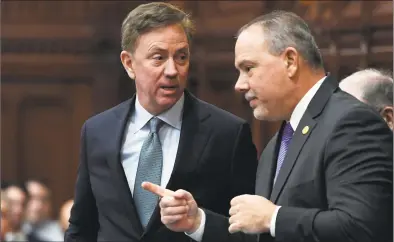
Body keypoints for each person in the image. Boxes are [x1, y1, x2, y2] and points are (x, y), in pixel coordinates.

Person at [144, 10, 393, 242]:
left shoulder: (351, 122)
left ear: (290, 61)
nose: (239, 85)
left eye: (249, 68)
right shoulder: (279, 142)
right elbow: (263, 234)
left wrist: (274, 217)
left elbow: (363, 228)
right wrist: (197, 221)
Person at [65, 2, 257, 242]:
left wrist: (199, 223)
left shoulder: (227, 133)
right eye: (158, 58)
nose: (172, 70)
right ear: (129, 63)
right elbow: (82, 227)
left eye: (181, 57)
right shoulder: (97, 131)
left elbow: (250, 233)